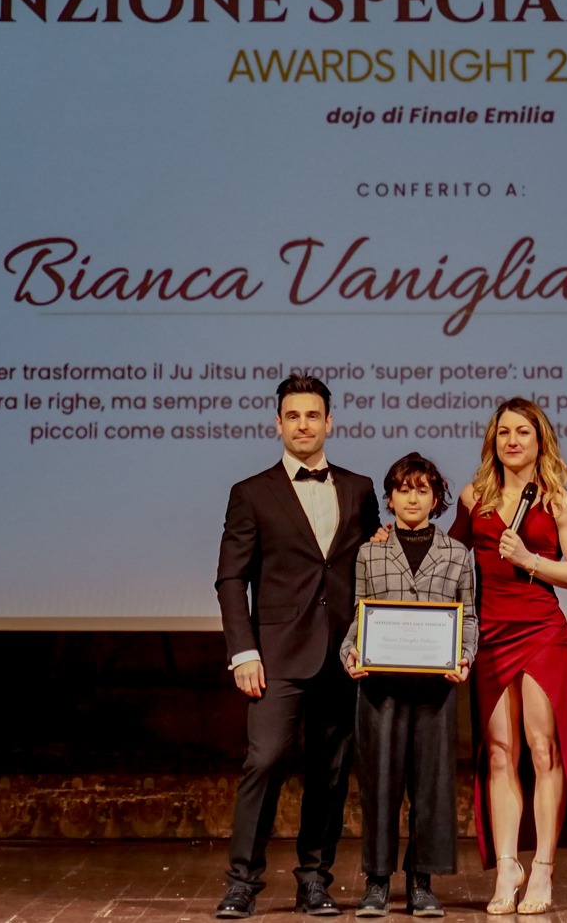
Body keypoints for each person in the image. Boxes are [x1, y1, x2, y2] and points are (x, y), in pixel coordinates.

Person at [214, 375, 384, 919]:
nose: (303, 425)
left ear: (329, 422)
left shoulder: (359, 488)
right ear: (278, 424)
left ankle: (314, 880)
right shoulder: (251, 492)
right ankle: (242, 882)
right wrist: (244, 652)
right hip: (276, 654)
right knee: (265, 761)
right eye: (293, 416)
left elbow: (375, 566)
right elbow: (231, 578)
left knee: (330, 772)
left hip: (343, 653)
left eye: (313, 415)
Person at [451, 398, 567, 916]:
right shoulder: (475, 498)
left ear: (540, 442)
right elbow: (445, 560)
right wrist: (392, 539)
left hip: (540, 632)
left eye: (523, 432)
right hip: (490, 633)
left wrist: (530, 560)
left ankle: (542, 869)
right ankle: (507, 865)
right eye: (504, 432)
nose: (512, 441)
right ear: (493, 441)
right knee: (498, 752)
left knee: (542, 749)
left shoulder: (563, 505)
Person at [339, 453, 479, 919]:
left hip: (436, 688)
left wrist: (464, 655)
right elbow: (359, 613)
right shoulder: (370, 552)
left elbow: (469, 617)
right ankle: (377, 882)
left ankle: (422, 882)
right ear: (390, 497)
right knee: (379, 784)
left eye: (422, 490)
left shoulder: (457, 554)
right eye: (403, 490)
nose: (412, 498)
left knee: (432, 785)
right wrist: (350, 651)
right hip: (380, 688)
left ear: (437, 498)